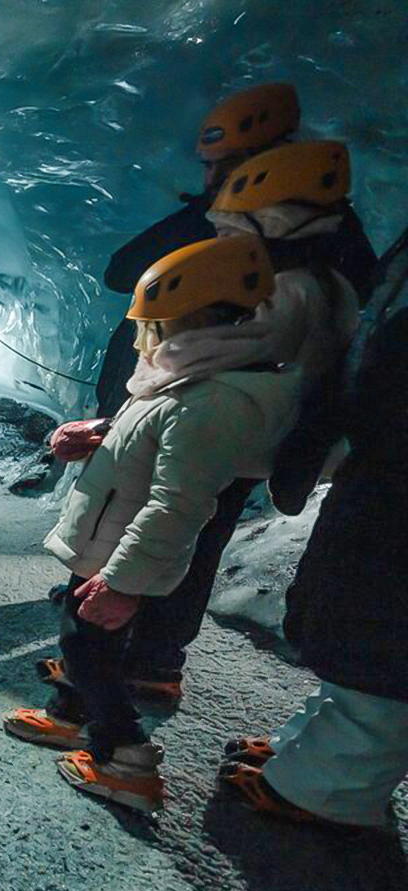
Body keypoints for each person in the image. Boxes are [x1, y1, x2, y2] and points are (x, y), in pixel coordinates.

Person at [44, 85, 376, 702]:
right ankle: (142, 659)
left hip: (214, 417)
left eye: (217, 167)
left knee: (163, 520)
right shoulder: (322, 240)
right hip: (233, 417)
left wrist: (124, 419)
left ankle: (119, 667)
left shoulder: (275, 252)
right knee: (187, 525)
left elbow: (187, 332)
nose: (211, 180)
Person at [5, 234, 303, 813]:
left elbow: (178, 505)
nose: (146, 340)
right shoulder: (189, 378)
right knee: (84, 640)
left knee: (87, 643)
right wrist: (99, 433)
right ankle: (71, 716)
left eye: (155, 325)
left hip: (122, 555)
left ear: (197, 323)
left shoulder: (211, 400)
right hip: (107, 543)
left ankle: (125, 760)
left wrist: (123, 583)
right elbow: (149, 433)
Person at [219, 247, 408, 828]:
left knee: (387, 628)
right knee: (357, 606)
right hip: (385, 470)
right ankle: (314, 749)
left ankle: (332, 789)